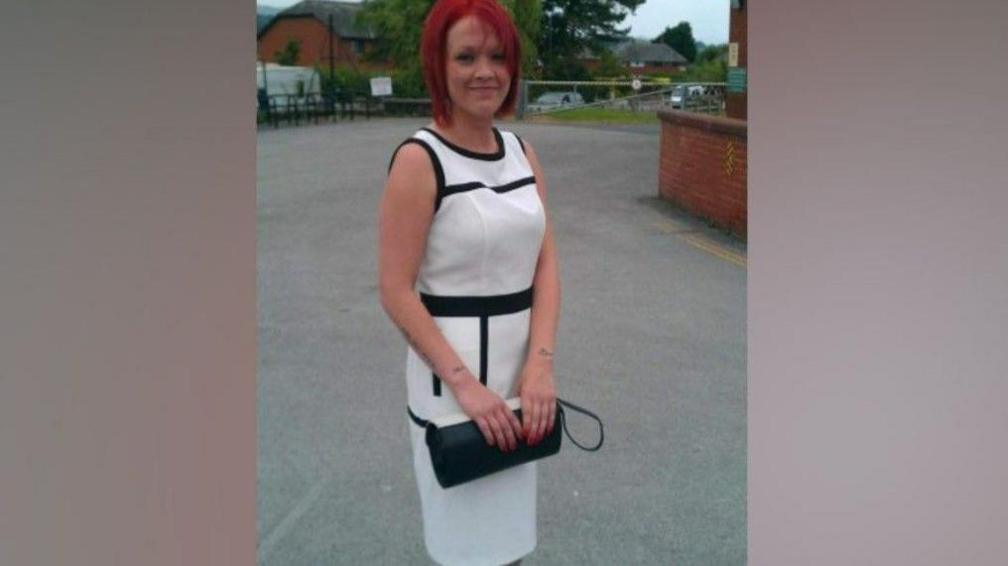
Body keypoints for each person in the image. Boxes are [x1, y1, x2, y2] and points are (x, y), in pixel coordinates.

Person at [377, 0, 560, 564]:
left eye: (498, 56)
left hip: (518, 383)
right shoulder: (419, 159)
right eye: (467, 56)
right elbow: (396, 289)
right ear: (439, 65)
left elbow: (546, 264)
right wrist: (464, 385)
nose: (485, 70)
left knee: (509, 545)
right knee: (464, 547)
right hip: (453, 392)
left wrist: (540, 365)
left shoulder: (521, 151)